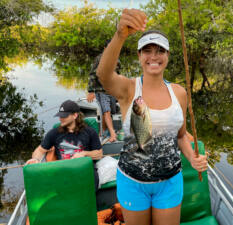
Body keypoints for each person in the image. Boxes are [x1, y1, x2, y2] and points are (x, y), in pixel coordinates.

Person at [96, 9, 208, 225]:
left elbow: (182, 136)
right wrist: (120, 35)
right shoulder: (129, 89)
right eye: (147, 50)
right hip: (132, 181)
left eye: (160, 50)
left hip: (170, 181)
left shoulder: (179, 93)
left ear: (168, 55)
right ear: (139, 56)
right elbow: (103, 76)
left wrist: (192, 158)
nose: (154, 56)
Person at [26, 99, 103, 190]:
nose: (60, 119)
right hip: (63, 172)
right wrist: (35, 159)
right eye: (60, 116)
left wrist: (84, 154)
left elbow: (99, 154)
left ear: (75, 115)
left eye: (64, 116)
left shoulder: (89, 132)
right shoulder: (54, 133)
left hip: (85, 171)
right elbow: (40, 150)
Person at [87, 40, 121, 142]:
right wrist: (91, 91)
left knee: (111, 111)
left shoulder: (117, 60)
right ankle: (113, 134)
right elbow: (92, 74)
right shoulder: (99, 59)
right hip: (100, 90)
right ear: (105, 48)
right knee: (106, 111)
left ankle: (104, 131)